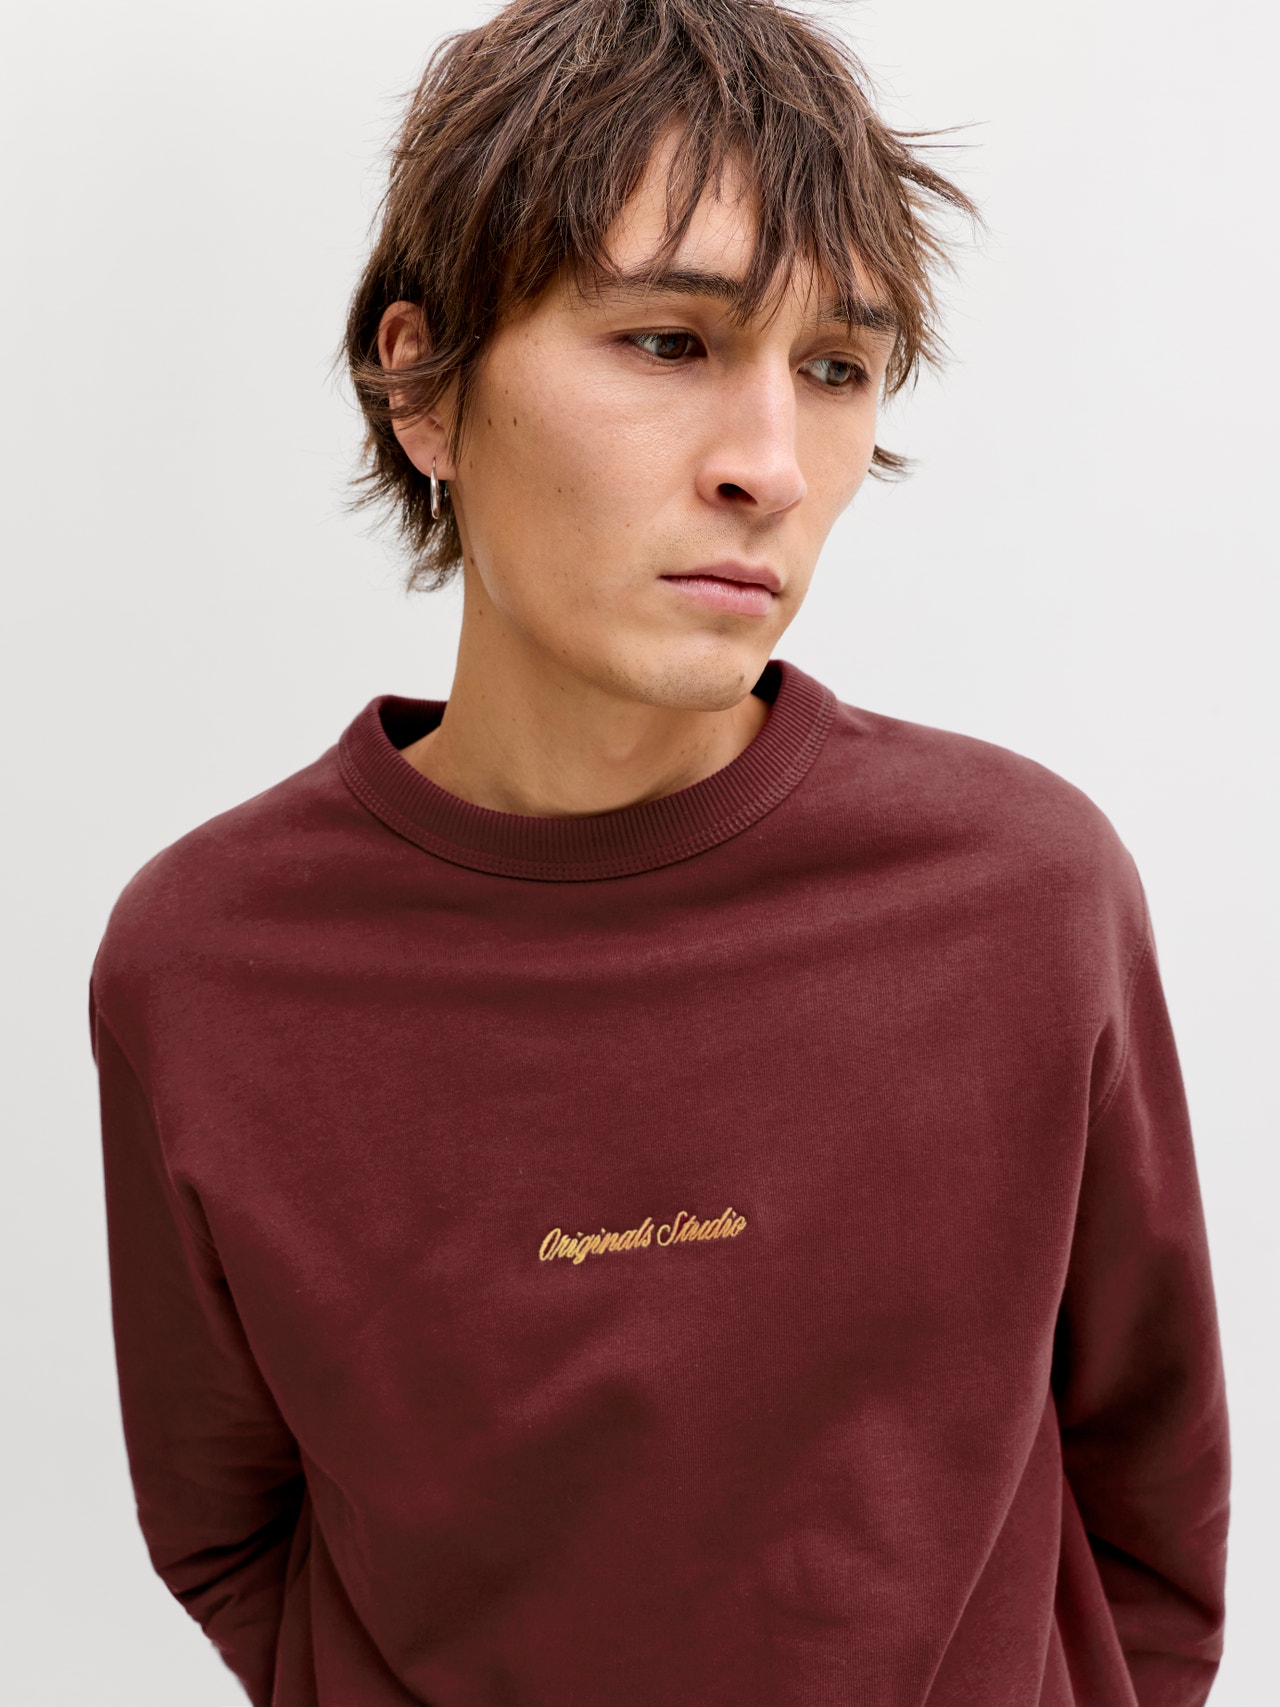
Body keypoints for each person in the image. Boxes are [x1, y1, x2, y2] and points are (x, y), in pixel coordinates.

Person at [88, 1, 1230, 1703]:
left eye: (835, 369)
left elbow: (1154, 1493)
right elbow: (225, 1528)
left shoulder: (1025, 893)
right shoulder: (207, 963)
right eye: (669, 342)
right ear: (422, 385)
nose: (769, 466)